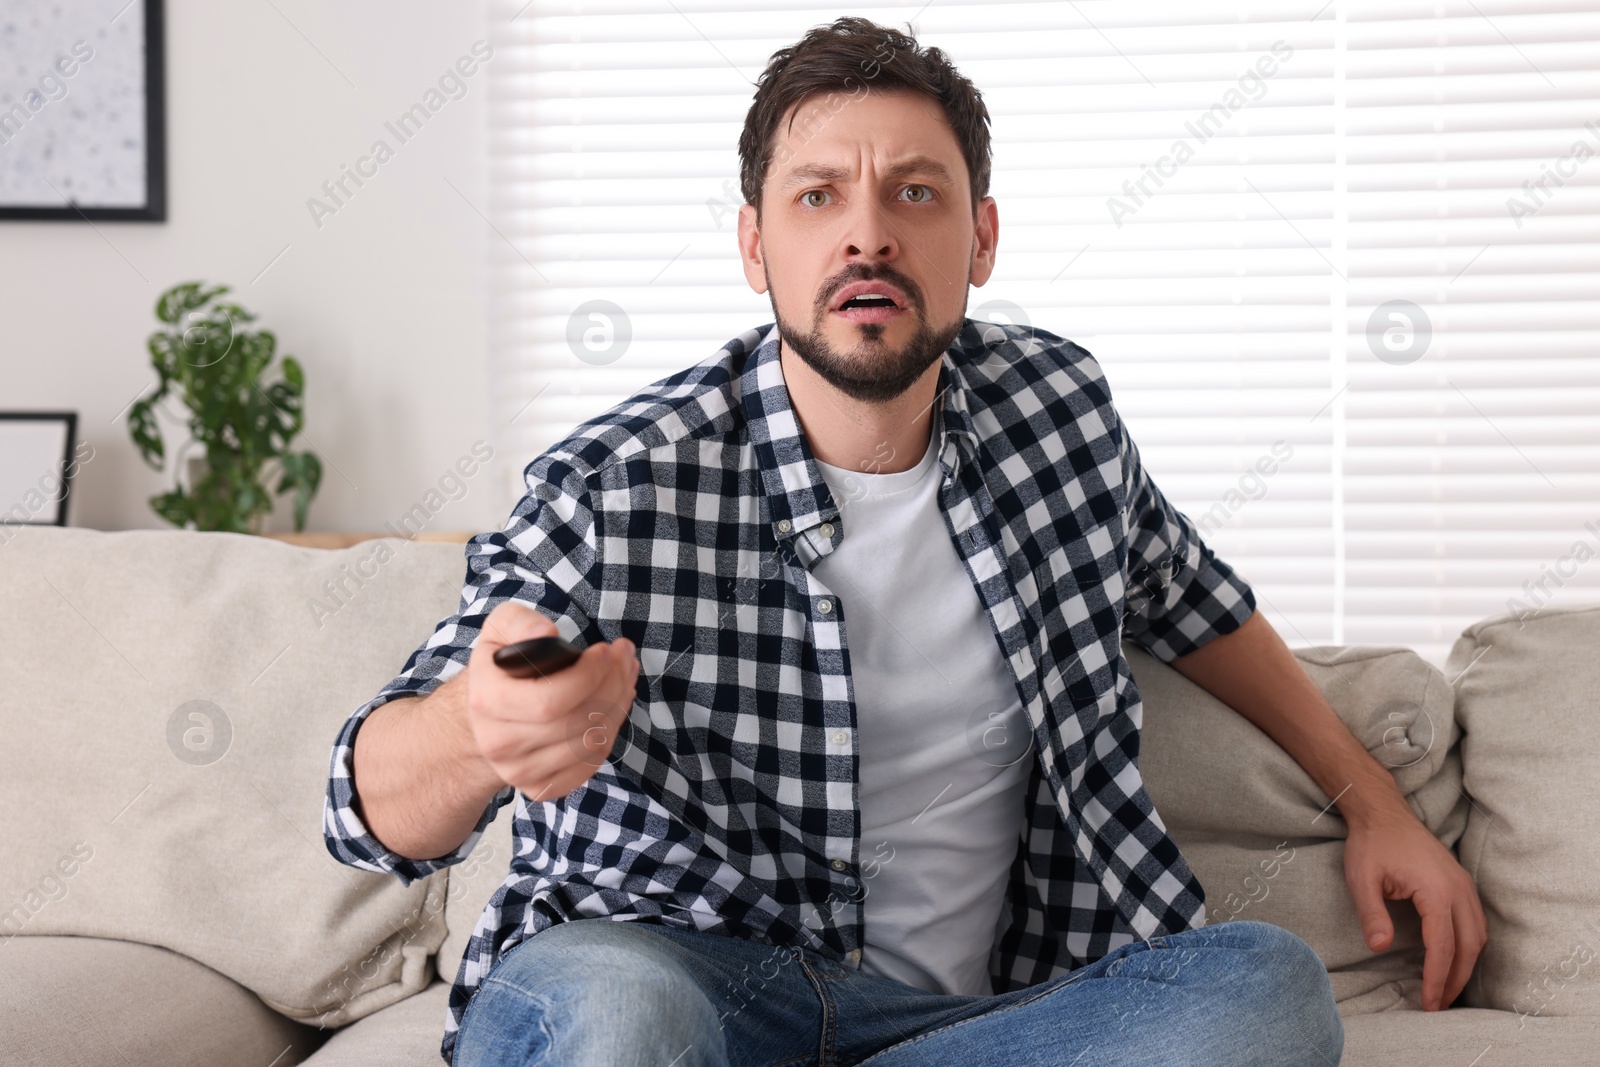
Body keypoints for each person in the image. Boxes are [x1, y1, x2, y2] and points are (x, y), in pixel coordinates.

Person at [323, 16, 1484, 1067]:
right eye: (817, 196)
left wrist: (1370, 793)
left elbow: (1186, 595)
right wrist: (483, 730)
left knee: (1264, 990)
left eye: (915, 194)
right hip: (679, 984)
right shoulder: (620, 483)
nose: (866, 236)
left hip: (982, 1016)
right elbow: (364, 808)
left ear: (979, 238)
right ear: (753, 246)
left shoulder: (1057, 414)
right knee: (624, 1017)